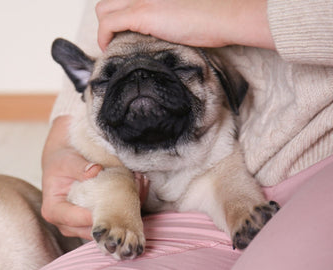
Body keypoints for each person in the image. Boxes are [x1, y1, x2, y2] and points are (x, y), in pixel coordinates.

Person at [41, 0, 333, 269]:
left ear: (225, 85)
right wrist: (58, 144)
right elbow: (110, 12)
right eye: (108, 79)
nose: (140, 80)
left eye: (178, 67)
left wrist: (226, 18)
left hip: (314, 161)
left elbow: (221, 179)